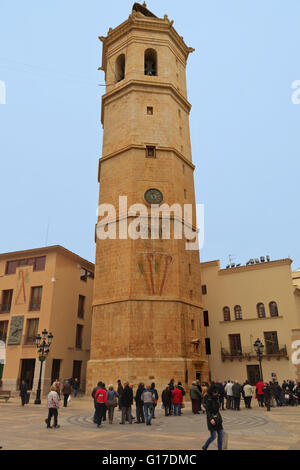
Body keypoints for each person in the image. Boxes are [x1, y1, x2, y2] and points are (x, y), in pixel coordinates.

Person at [202, 385, 223, 451]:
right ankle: (205, 447)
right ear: (212, 392)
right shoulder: (209, 399)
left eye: (217, 392)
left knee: (220, 434)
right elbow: (207, 411)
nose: (216, 393)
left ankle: (220, 449)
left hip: (217, 418)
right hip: (211, 418)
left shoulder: (217, 398)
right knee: (213, 436)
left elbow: (218, 408)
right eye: (215, 392)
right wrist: (211, 419)